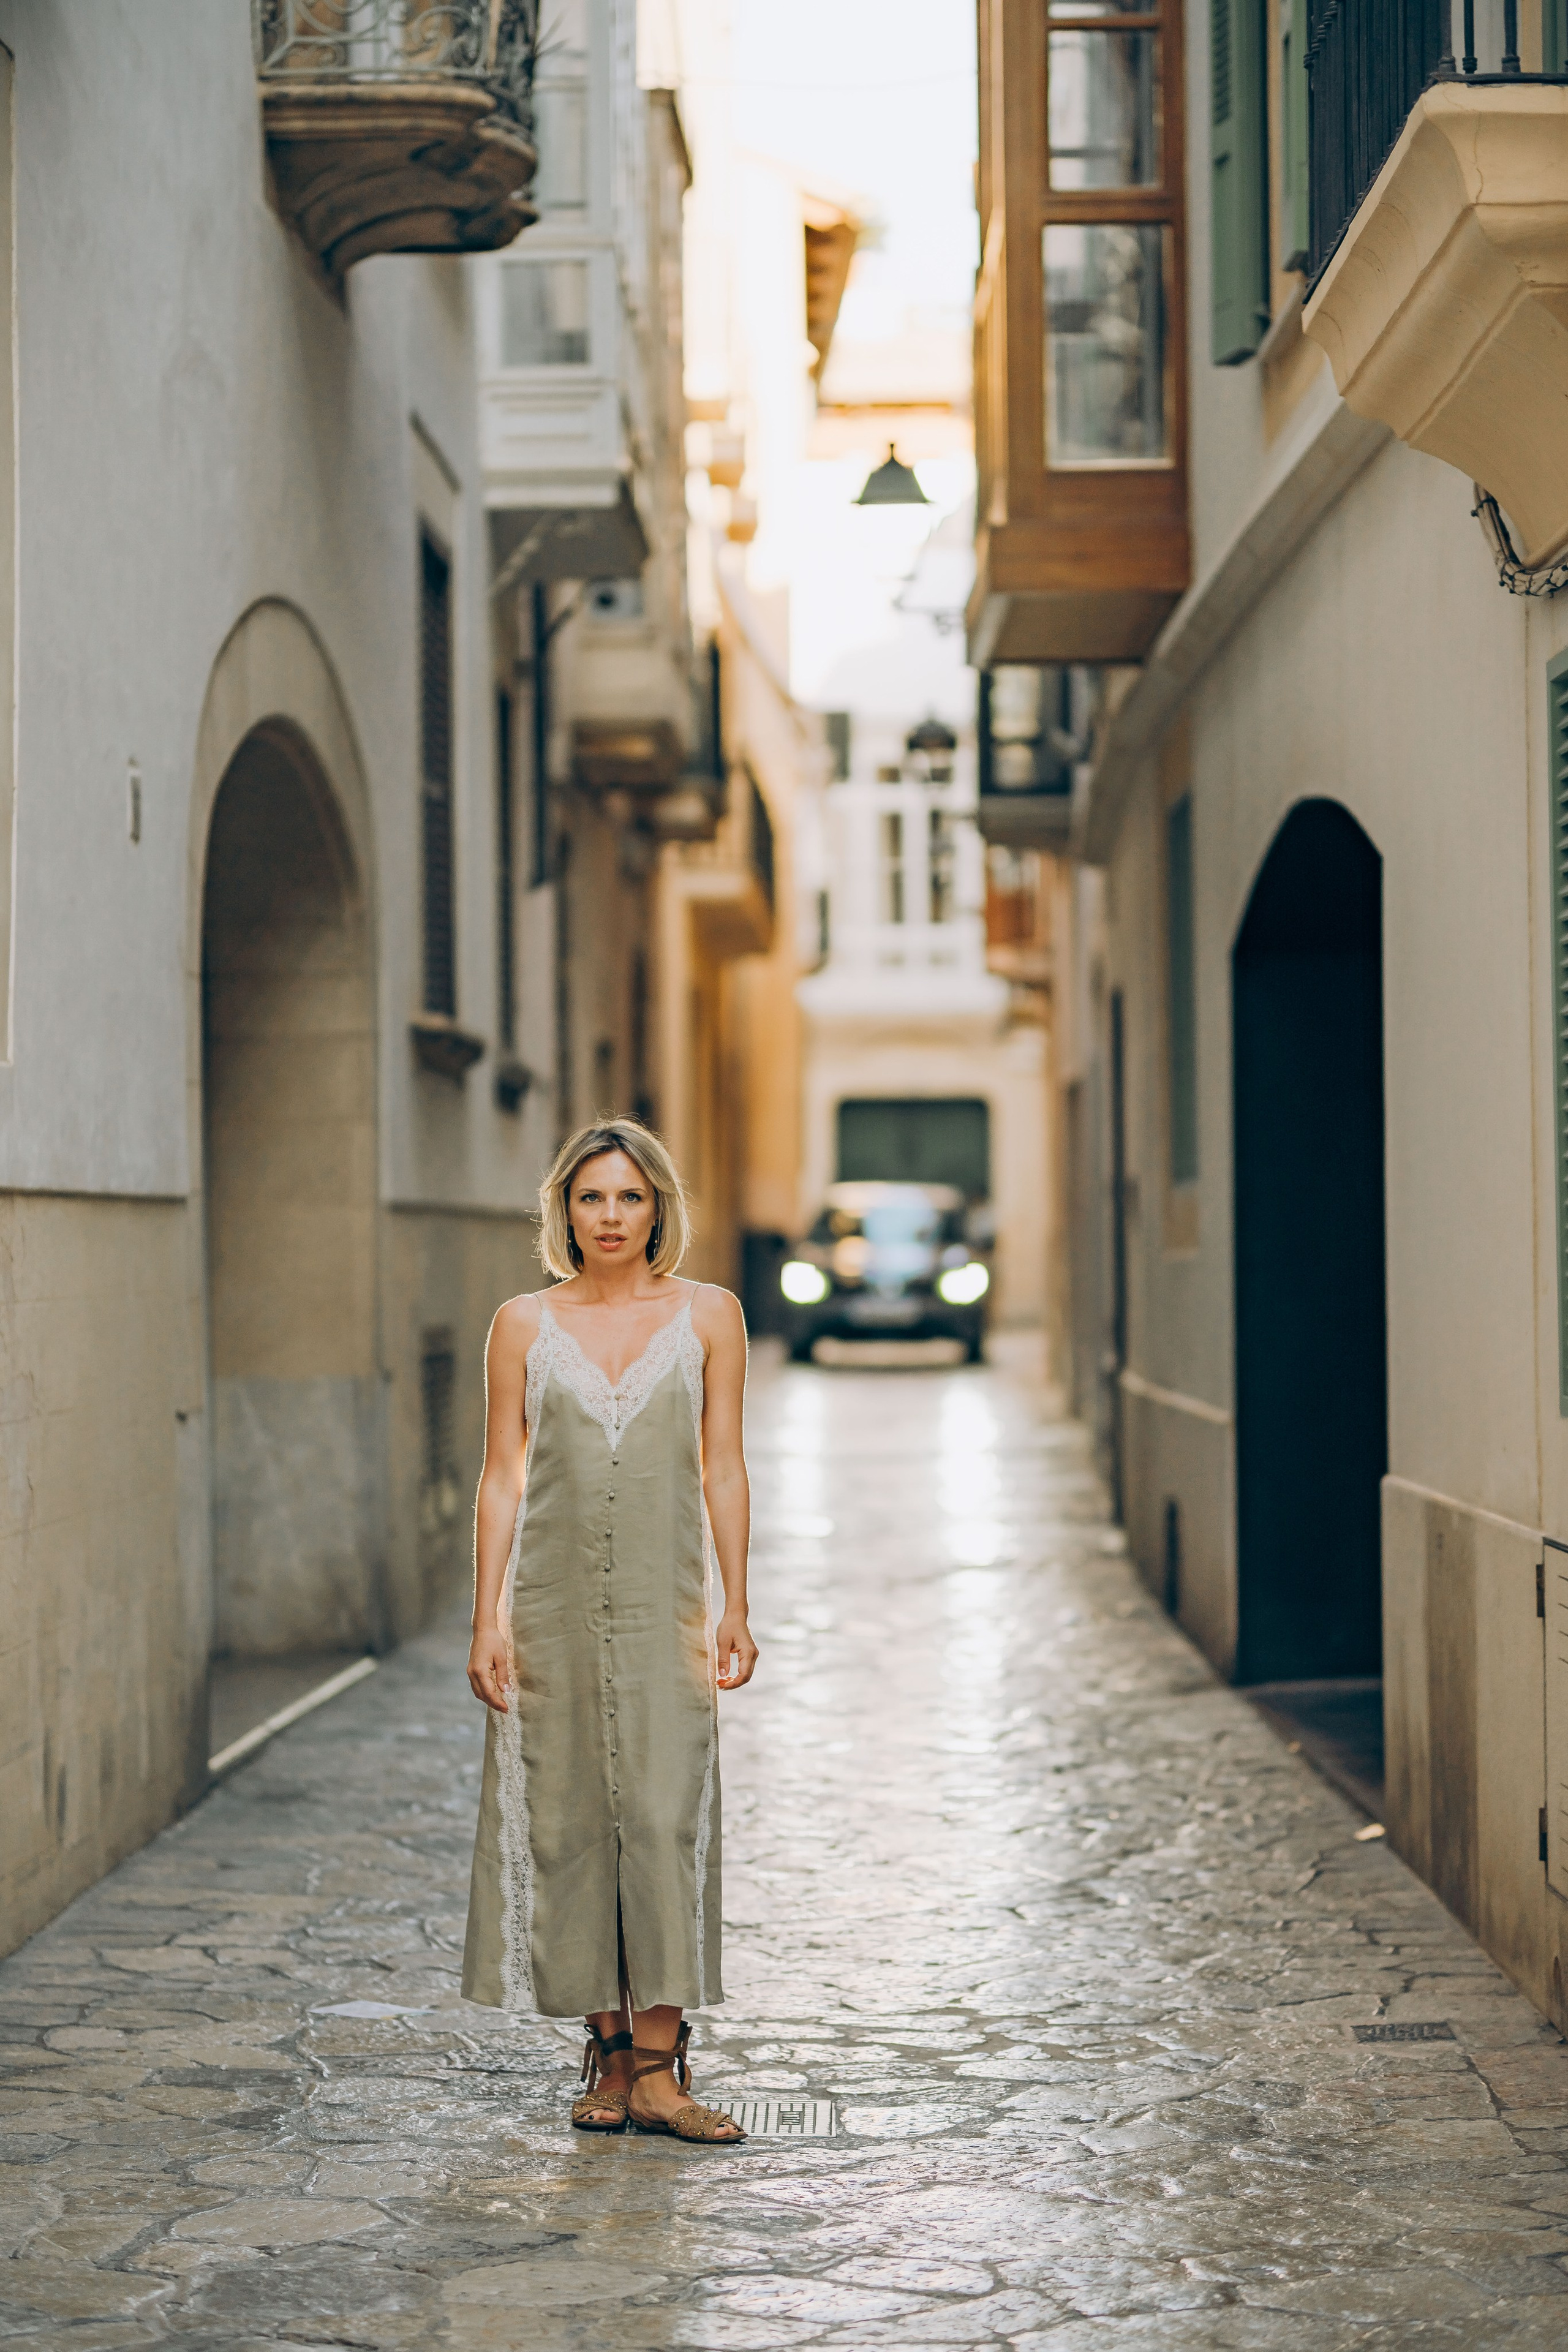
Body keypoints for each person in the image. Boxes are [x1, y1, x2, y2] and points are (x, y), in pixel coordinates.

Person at [461, 1118, 758, 2145]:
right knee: (571, 1816)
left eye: (631, 1197)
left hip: (665, 1603)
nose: (612, 1217)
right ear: (565, 1212)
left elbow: (723, 1464)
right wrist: (486, 1616)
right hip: (548, 1607)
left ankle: (664, 2072)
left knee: (669, 1815)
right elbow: (503, 1475)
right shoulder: (522, 1325)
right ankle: (608, 2058)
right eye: (592, 1198)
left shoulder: (711, 1315)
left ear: (659, 1208)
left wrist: (738, 1603)